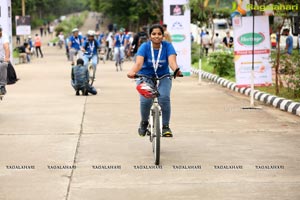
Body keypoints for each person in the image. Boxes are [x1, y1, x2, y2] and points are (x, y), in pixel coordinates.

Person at [127, 24, 183, 137]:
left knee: (164, 97)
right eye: (154, 34)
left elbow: (172, 62)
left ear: (163, 35)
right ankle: (144, 122)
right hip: (145, 76)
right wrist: (132, 72)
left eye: (159, 34)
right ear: (150, 36)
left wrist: (176, 70)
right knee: (146, 100)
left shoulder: (168, 46)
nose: (156, 36)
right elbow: (138, 63)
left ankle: (165, 126)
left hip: (163, 76)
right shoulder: (144, 47)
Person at [0, 25, 10, 95]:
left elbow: (6, 47)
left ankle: (2, 86)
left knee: (4, 65)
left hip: (2, 57)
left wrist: (6, 58)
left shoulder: (4, 36)